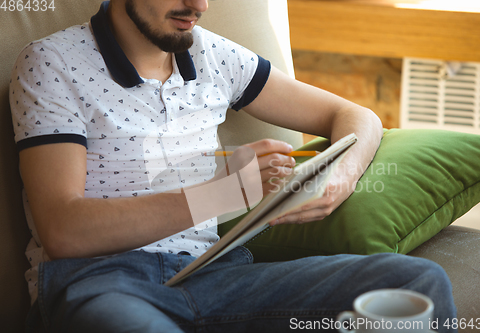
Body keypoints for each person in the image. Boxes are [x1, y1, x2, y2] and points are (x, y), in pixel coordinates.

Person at [10, 0, 457, 332]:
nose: (199, 6)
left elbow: (358, 117)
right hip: (104, 282)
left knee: (417, 284)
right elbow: (64, 230)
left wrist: (341, 177)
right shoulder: (50, 63)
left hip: (217, 276)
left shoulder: (212, 56)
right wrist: (228, 192)